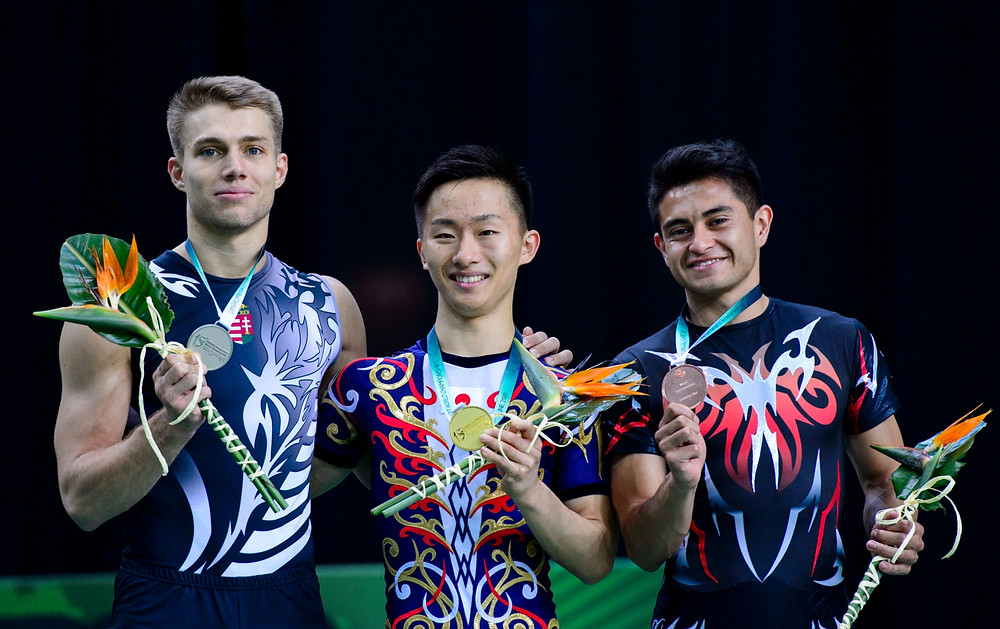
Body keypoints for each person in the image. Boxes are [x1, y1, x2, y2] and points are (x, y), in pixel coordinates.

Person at [51, 76, 566, 628]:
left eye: (253, 149)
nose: (234, 167)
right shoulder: (120, 311)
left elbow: (370, 458)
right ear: (178, 171)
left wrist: (505, 377)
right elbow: (83, 503)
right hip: (163, 600)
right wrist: (168, 429)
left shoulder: (331, 306)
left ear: (280, 168)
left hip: (288, 601)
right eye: (210, 151)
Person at [604, 139, 924, 628]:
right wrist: (682, 482)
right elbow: (646, 550)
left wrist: (894, 522)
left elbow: (884, 479)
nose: (700, 243)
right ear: (661, 248)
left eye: (718, 221)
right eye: (679, 230)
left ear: (761, 225)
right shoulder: (634, 371)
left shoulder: (841, 340)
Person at [311, 145, 618, 627]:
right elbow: (280, 494)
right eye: (445, 235)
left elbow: (596, 559)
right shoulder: (369, 387)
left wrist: (529, 490)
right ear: (421, 251)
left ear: (527, 245)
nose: (465, 254)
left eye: (487, 231)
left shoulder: (565, 400)